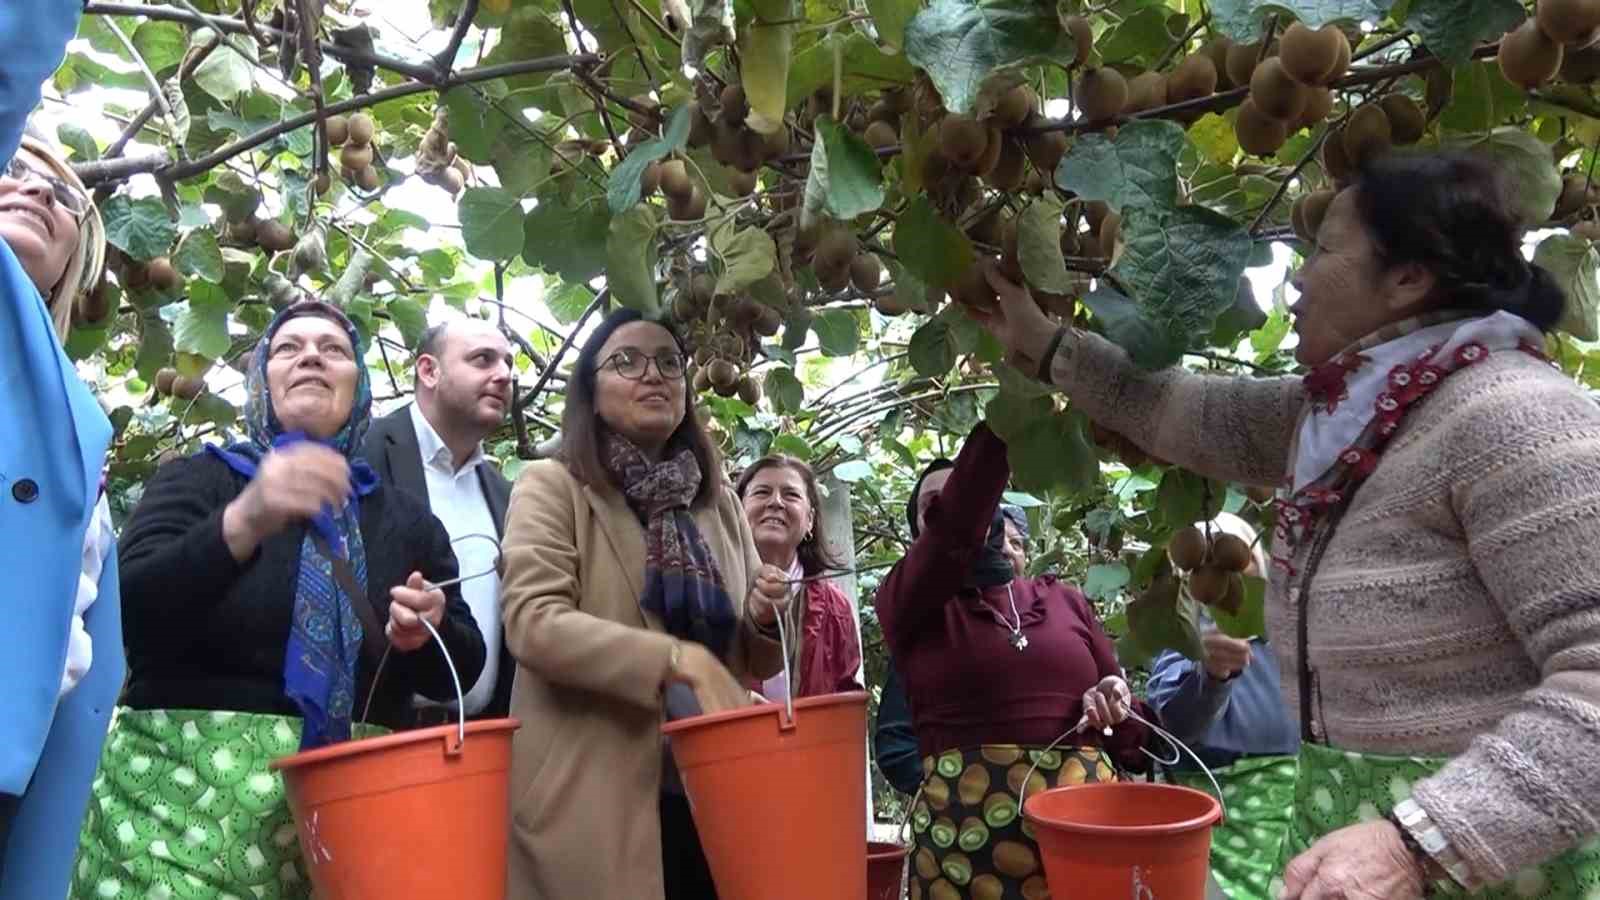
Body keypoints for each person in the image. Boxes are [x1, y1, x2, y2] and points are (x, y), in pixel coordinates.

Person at [971, 150, 1600, 897]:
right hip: (1360, 840)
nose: (1298, 278)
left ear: (1408, 276)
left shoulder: (1518, 418)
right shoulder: (1352, 413)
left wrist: (1423, 840)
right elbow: (1187, 413)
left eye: (1324, 251)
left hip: (1485, 857)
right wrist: (1045, 345)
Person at [71, 302, 487, 900]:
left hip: (350, 830)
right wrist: (246, 519)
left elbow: (462, 669)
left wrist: (431, 630)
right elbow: (130, 612)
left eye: (334, 349)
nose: (312, 355)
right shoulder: (200, 481)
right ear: (262, 381)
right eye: (288, 348)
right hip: (172, 815)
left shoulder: (405, 520)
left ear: (360, 385)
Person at [498, 308, 788, 900]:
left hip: (716, 794)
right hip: (594, 798)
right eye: (626, 361)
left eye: (668, 362)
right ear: (591, 391)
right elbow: (533, 623)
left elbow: (753, 658)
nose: (651, 375)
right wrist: (675, 660)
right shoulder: (553, 486)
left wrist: (762, 614)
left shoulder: (717, 503)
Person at [879, 428, 1149, 900]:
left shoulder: (1064, 601)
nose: (958, 507)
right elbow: (957, 527)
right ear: (918, 535)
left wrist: (1118, 703)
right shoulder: (907, 608)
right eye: (932, 508)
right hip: (963, 857)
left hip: (1082, 848)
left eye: (966, 493)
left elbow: (1133, 740)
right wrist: (1007, 421)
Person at [0, 2, 120, 894]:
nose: (41, 191)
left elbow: (86, 658)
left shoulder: (83, 420)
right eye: (15, 166)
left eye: (67, 195)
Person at [362, 318, 516, 722]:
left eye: (508, 363)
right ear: (428, 371)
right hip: (374, 735)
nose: (503, 375)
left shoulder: (506, 495)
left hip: (481, 743)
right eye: (483, 360)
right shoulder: (362, 455)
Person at [1146, 512, 1298, 900]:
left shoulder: (1290, 630)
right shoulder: (1185, 635)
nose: (1221, 572)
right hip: (1212, 814)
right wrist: (1211, 675)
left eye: (1230, 556)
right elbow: (1173, 729)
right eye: (1205, 562)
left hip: (1291, 815)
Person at [874, 504, 1032, 798]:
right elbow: (896, 746)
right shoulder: (926, 628)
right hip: (966, 819)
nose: (1006, 550)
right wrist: (953, 788)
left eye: (1016, 543)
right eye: (999, 539)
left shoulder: (1056, 615)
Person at [735, 455, 863, 700]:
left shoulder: (835, 608)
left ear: (810, 521)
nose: (775, 502)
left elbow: (845, 699)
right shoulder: (714, 587)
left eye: (791, 495)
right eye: (762, 492)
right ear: (738, 512)